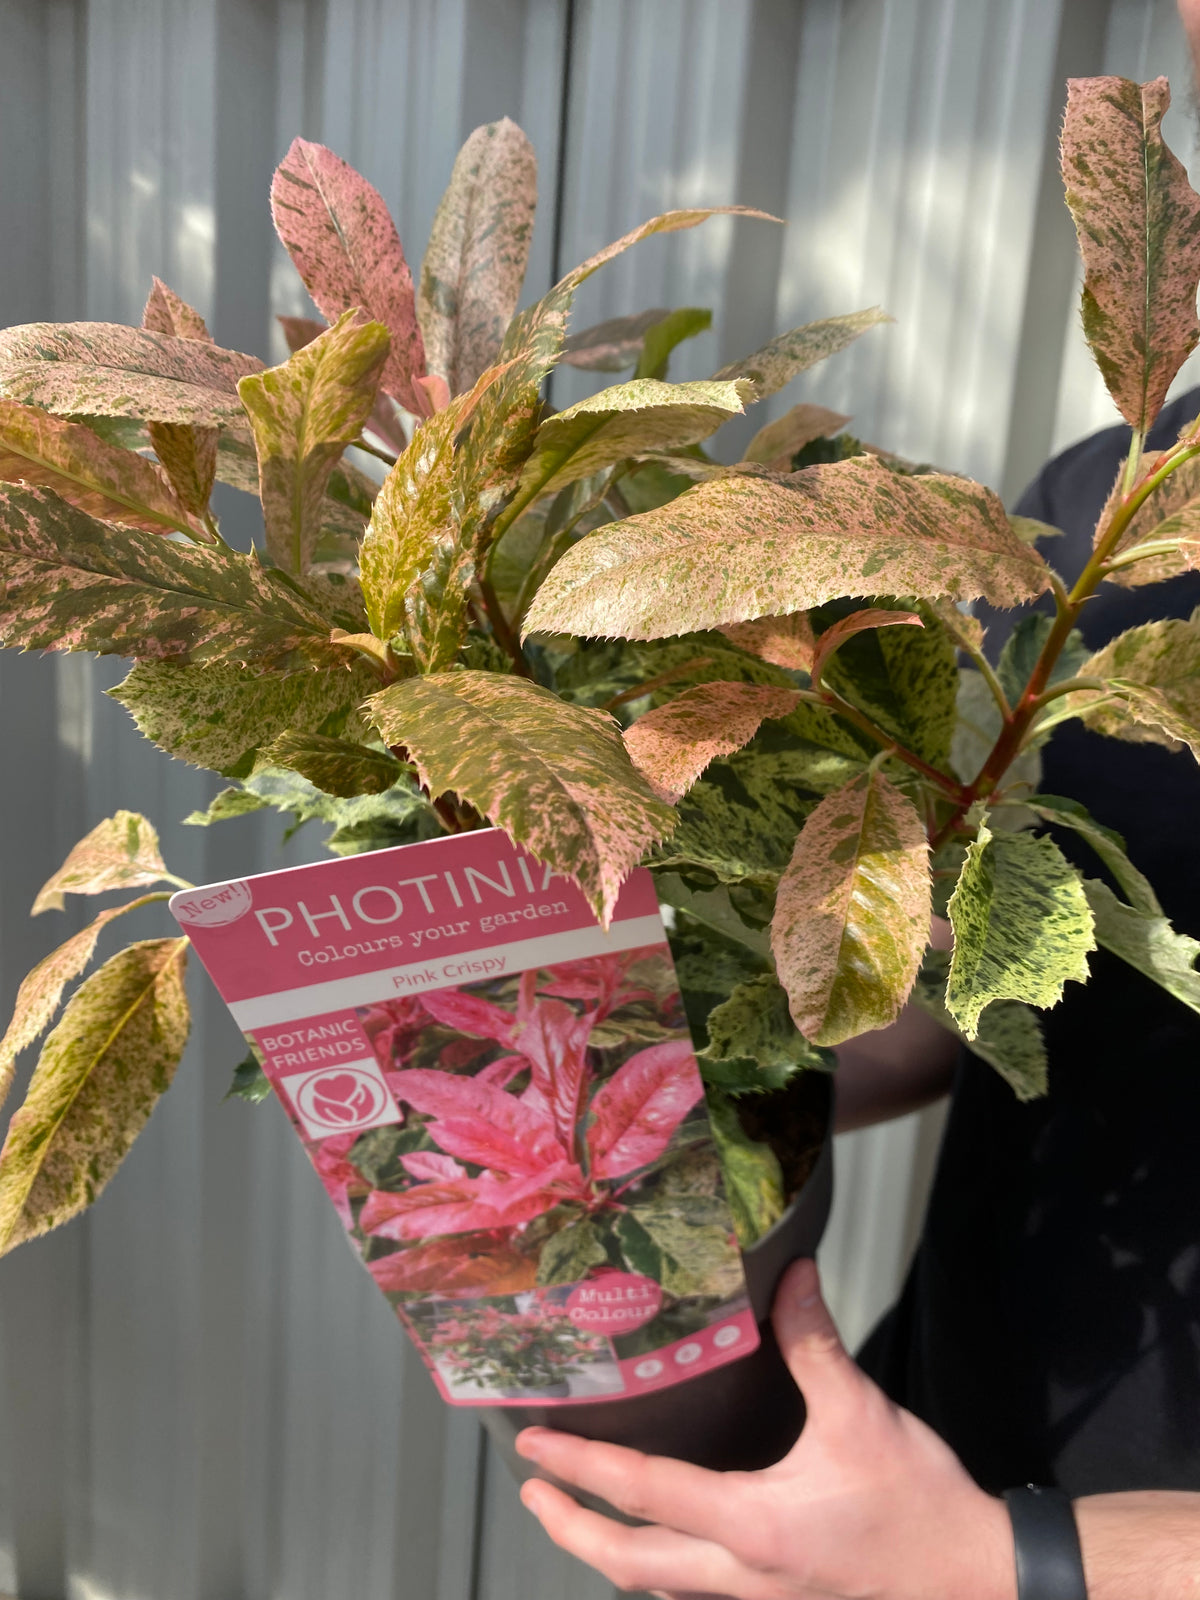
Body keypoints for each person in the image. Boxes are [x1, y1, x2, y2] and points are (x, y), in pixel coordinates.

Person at [512, 15, 1200, 1593]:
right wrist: (586, 1039)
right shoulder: (1113, 504)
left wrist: (1013, 1566)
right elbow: (1018, 995)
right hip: (936, 1439)